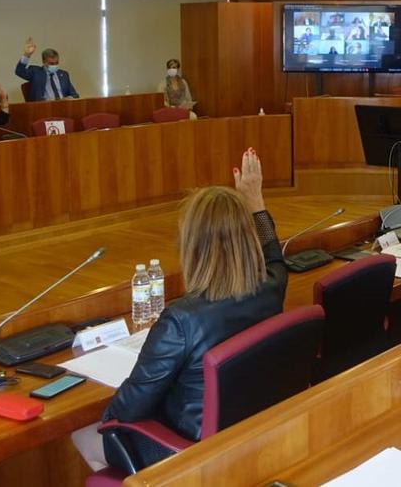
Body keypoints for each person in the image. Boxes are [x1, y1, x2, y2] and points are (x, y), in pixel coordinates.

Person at [90, 148, 286, 470]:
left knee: (86, 434)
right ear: (247, 238)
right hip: (248, 439)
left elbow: (124, 413)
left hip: (190, 455)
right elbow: (276, 260)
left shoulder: (180, 320)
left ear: (192, 247)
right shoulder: (271, 288)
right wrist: (256, 205)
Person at [15, 37, 79, 102]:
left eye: (56, 63)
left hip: (63, 107)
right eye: (51, 63)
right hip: (44, 108)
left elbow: (75, 95)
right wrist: (27, 55)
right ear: (44, 62)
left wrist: (69, 98)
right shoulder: (36, 72)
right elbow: (19, 71)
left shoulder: (64, 74)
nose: (54, 65)